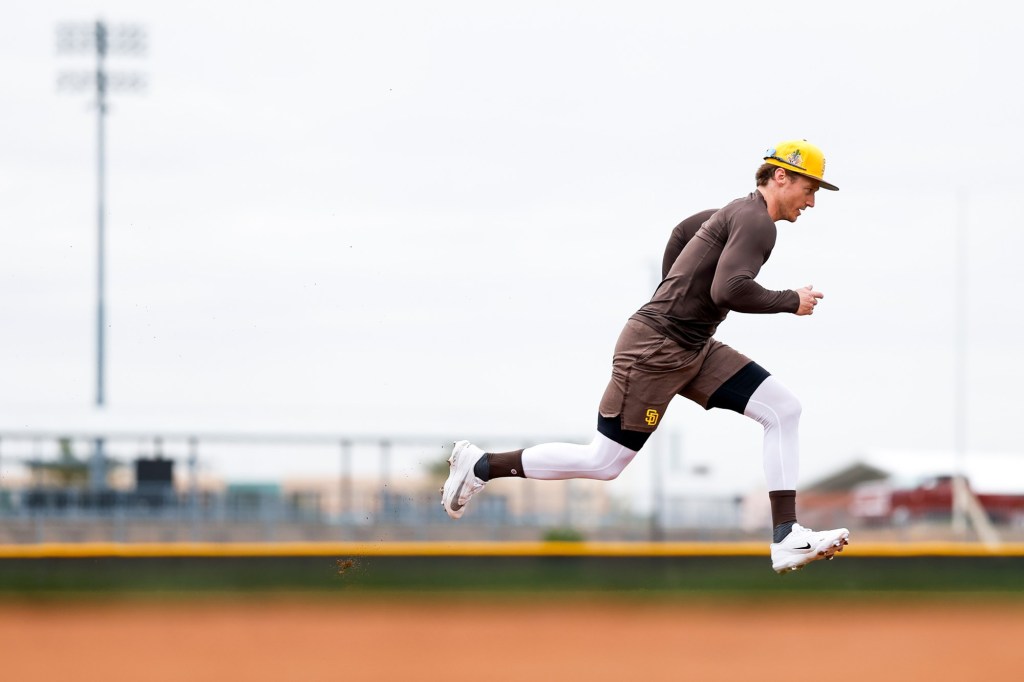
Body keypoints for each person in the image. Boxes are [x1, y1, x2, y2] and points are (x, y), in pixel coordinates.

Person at [442, 139, 849, 574]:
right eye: (810, 188)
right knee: (604, 462)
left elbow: (680, 233)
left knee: (783, 409)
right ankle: (482, 465)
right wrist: (790, 300)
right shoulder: (757, 223)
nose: (811, 201)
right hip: (655, 349)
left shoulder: (737, 211)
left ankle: (786, 536)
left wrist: (674, 295)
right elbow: (728, 290)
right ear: (780, 176)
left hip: (692, 345)